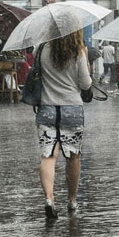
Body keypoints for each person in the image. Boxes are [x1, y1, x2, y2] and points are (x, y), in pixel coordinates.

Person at [35, 29, 92, 218]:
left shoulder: (42, 49)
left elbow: (37, 77)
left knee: (48, 155)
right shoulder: (78, 51)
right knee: (73, 156)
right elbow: (85, 84)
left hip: (47, 108)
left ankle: (49, 199)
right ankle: (72, 200)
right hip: (72, 108)